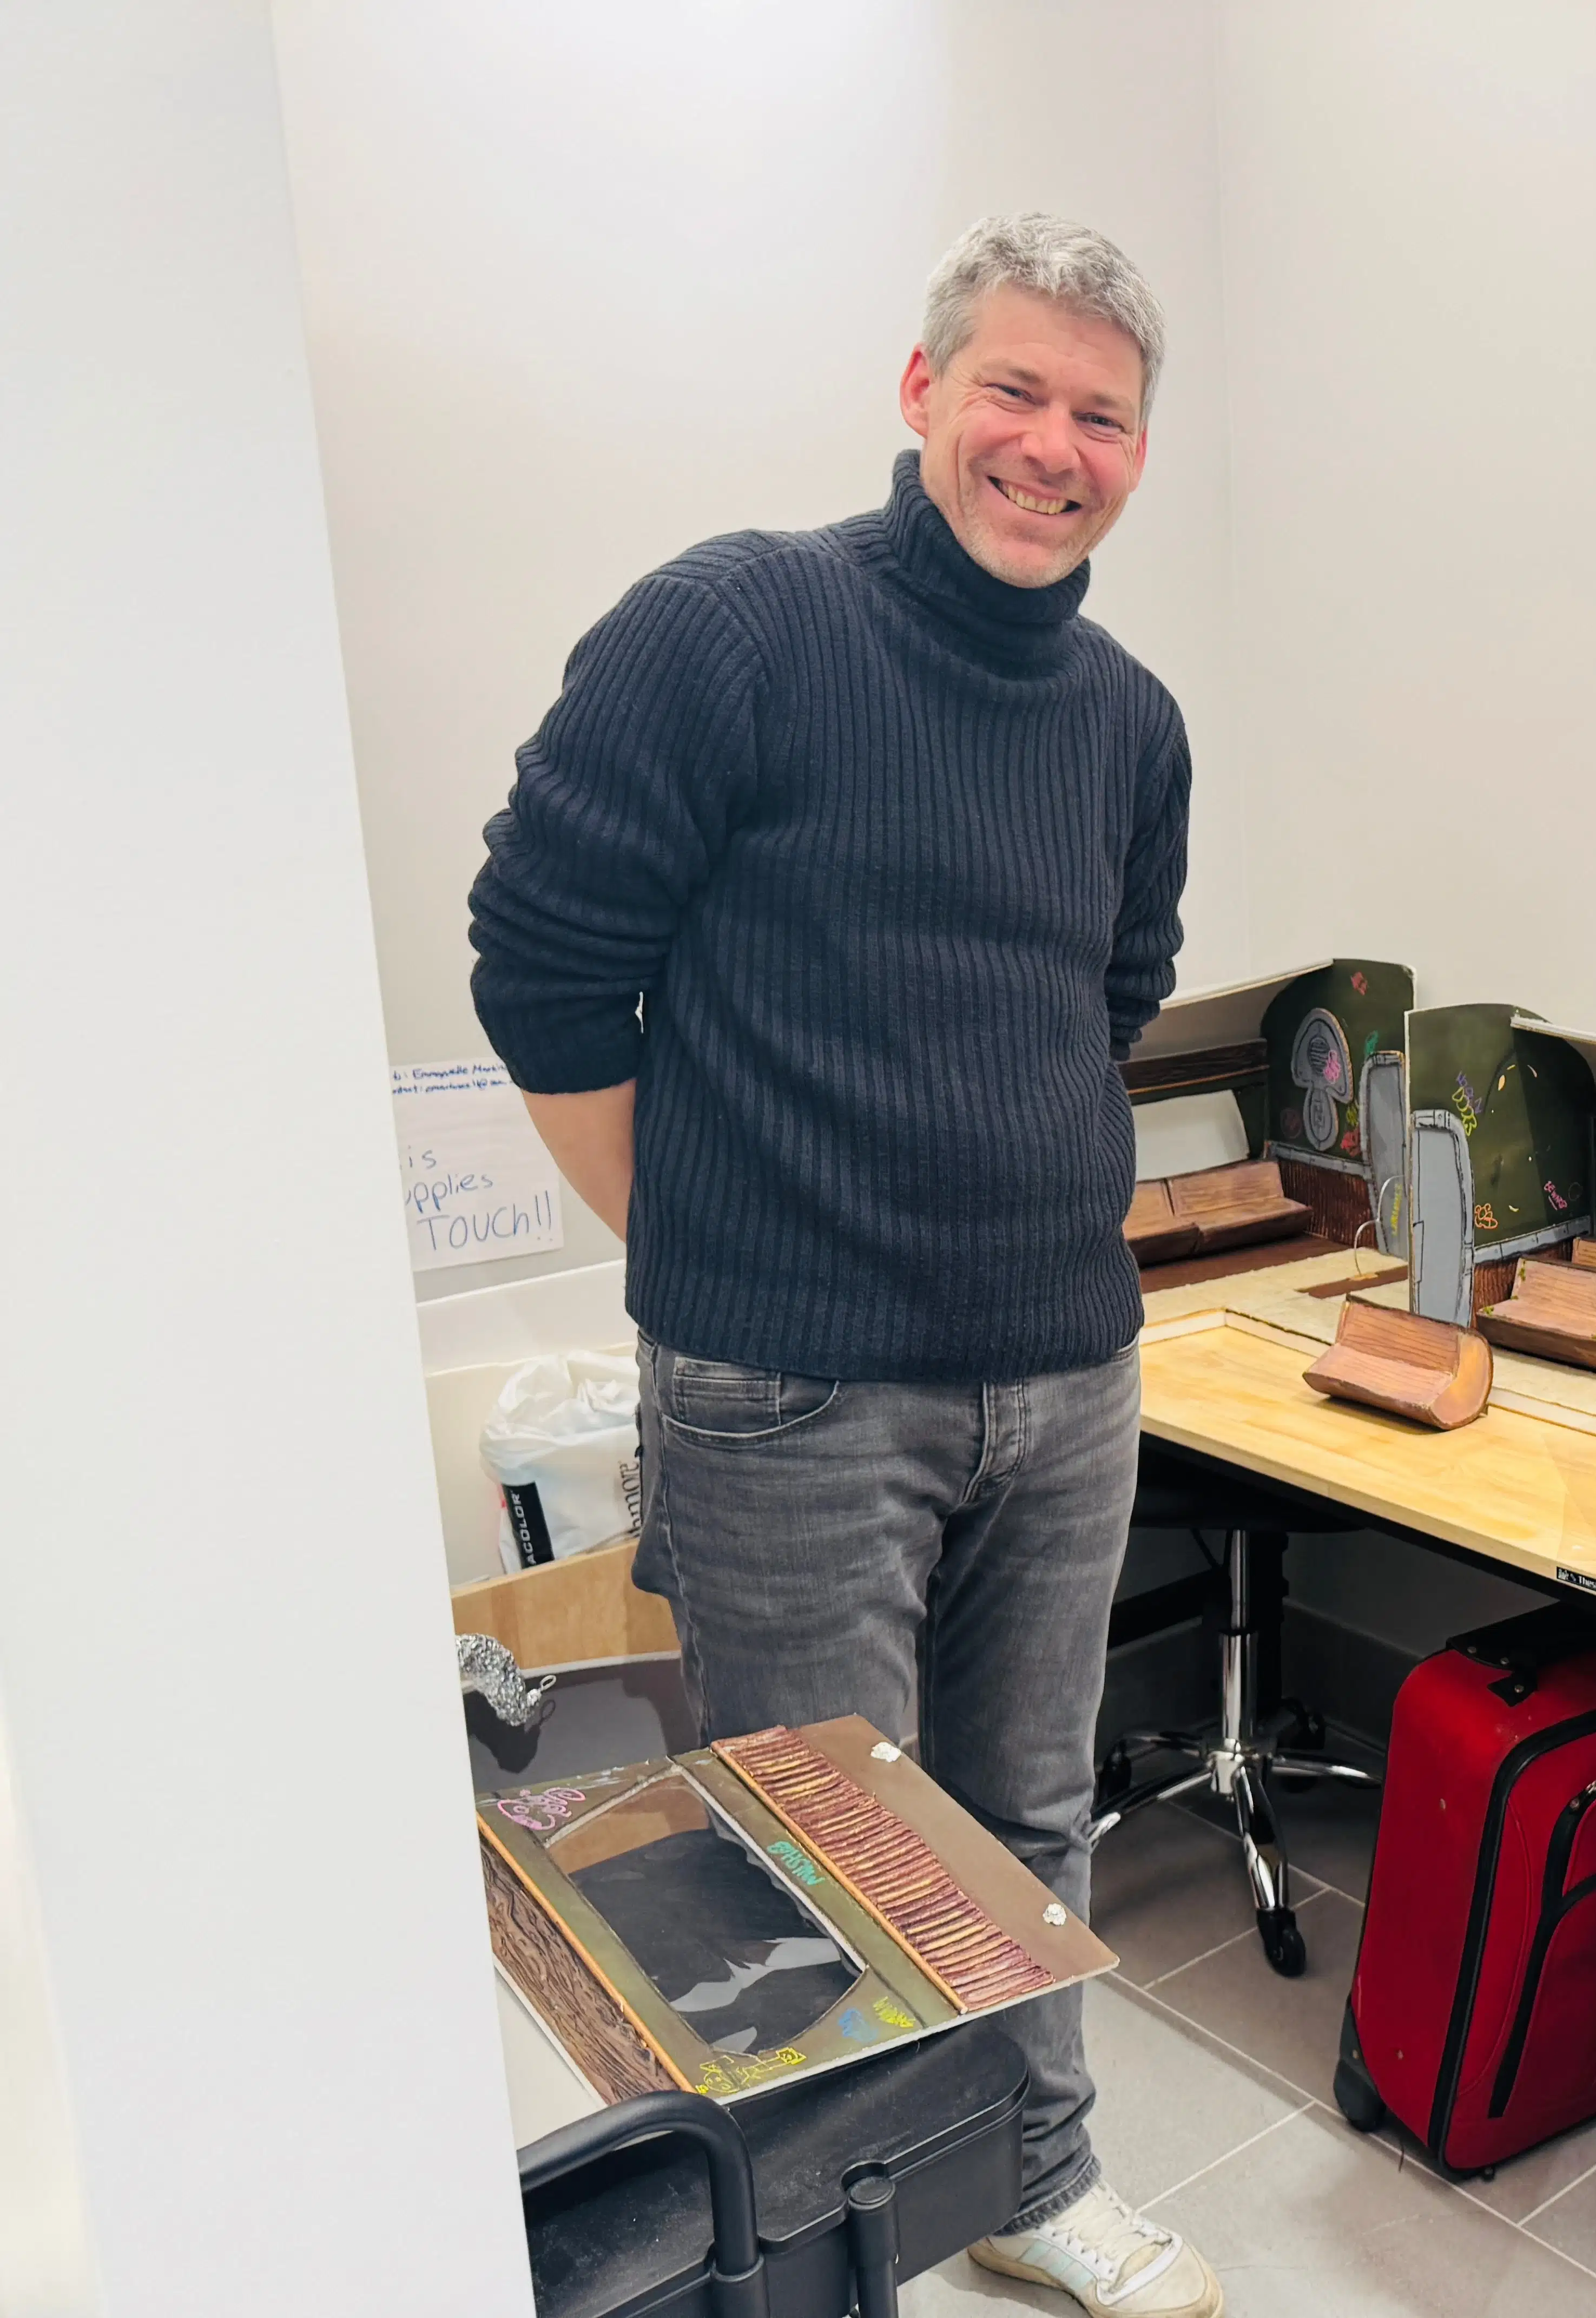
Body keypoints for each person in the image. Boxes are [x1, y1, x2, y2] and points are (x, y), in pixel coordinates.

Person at [470, 214, 1222, 2318]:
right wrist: (711, 1251)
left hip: (1063, 1376)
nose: (1051, 443)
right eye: (1015, 388)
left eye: (1101, 414)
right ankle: (835, 2269)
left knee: (1025, 1825)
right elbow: (541, 965)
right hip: (792, 1398)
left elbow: (1113, 994)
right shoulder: (733, 629)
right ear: (922, 393)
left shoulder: (1131, 726)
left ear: (1137, 454)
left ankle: (1033, 2183)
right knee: (816, 1895)